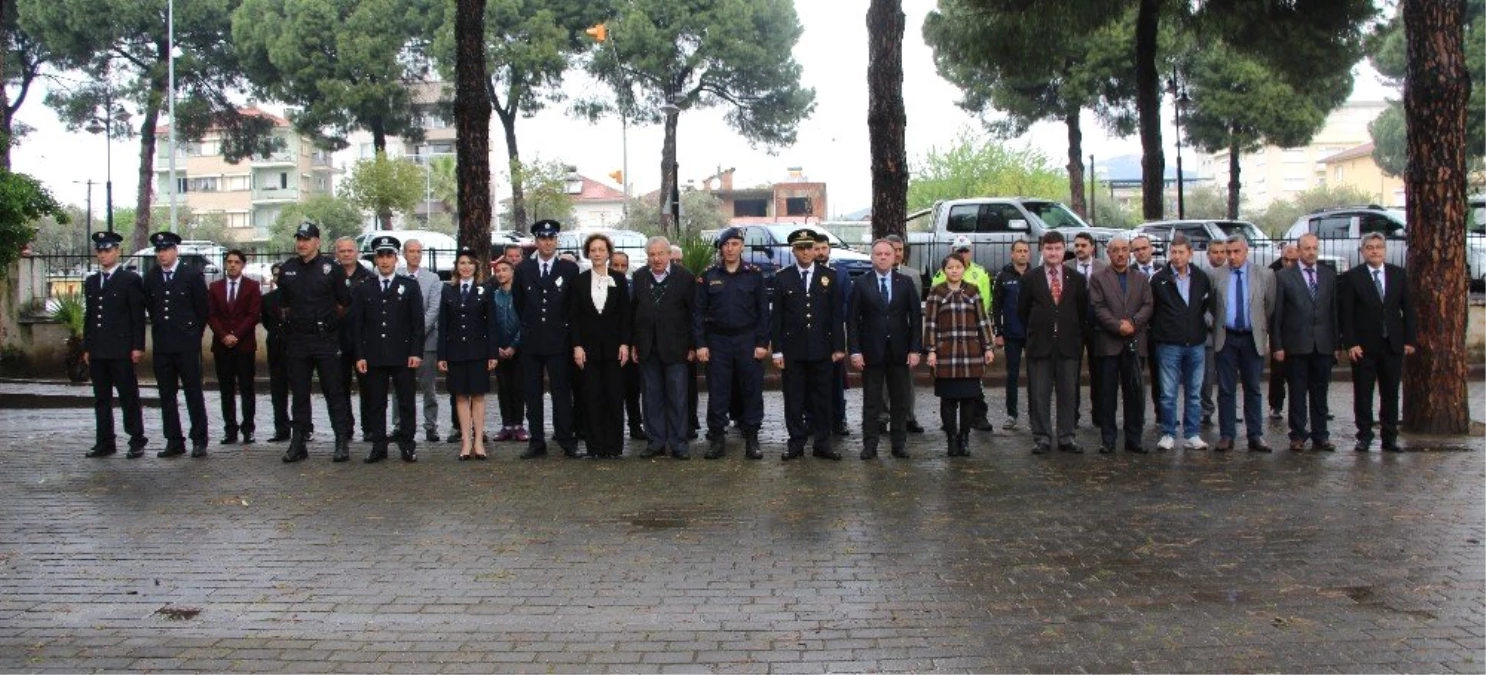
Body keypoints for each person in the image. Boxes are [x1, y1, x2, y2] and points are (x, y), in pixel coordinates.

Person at [279, 221, 354, 463]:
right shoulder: (288, 269)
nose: (301, 243)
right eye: (299, 239)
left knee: (334, 391)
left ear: (317, 242)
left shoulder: (331, 268)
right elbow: (283, 304)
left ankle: (341, 440)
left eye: (307, 239)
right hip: (298, 339)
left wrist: (329, 323)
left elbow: (344, 303)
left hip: (325, 339)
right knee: (299, 393)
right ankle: (298, 441)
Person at [694, 227, 770, 460]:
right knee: (718, 390)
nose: (730, 248)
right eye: (726, 245)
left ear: (741, 247)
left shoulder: (754, 274)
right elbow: (698, 313)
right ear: (721, 248)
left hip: (747, 339)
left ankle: (752, 437)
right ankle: (717, 438)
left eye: (735, 244)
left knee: (751, 389)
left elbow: (763, 313)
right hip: (718, 340)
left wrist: (761, 343)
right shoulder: (709, 275)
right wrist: (701, 344)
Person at [350, 236, 425, 463]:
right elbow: (357, 325)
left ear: (395, 258)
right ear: (375, 259)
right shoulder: (364, 288)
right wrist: (360, 355)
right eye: (380, 256)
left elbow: (417, 324)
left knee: (406, 402)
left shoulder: (409, 286)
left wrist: (415, 352)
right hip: (374, 355)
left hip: (402, 355)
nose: (384, 261)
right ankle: (378, 445)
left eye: (388, 256)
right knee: (376, 402)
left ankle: (407, 444)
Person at [1339, 232, 1416, 453]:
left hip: (1392, 345)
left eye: (1379, 247)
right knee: (1363, 393)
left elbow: (1408, 310)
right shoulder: (1353, 277)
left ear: (1385, 250)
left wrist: (1409, 339)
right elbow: (1347, 314)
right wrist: (1351, 342)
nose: (1375, 251)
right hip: (1363, 347)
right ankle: (1364, 436)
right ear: (1363, 251)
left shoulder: (1398, 275)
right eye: (1370, 247)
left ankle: (1389, 437)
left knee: (1390, 393)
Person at [775, 228, 846, 461]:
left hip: (822, 348)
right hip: (793, 349)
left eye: (809, 247)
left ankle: (823, 443)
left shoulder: (830, 276)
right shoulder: (782, 277)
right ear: (793, 250)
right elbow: (777, 318)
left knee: (822, 398)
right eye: (801, 248)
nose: (806, 252)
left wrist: (838, 346)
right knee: (794, 399)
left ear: (816, 250)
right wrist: (777, 349)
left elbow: (836, 315)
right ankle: (796, 443)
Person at [512, 219, 581, 459]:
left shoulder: (569, 269)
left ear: (557, 240)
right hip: (532, 340)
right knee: (532, 393)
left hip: (559, 340)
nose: (547, 242)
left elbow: (573, 306)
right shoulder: (522, 270)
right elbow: (519, 304)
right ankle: (536, 440)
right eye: (543, 238)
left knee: (562, 391)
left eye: (551, 238)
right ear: (536, 241)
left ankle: (566, 438)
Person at [849, 239, 922, 459]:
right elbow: (852, 320)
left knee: (900, 401)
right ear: (872, 257)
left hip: (900, 351)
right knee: (872, 401)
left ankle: (898, 444)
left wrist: (915, 349)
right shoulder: (861, 283)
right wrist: (855, 350)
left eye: (887, 254)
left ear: (894, 257)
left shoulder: (905, 282)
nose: (882, 257)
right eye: (878, 254)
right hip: (871, 351)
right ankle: (870, 445)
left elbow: (916, 319)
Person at [1017, 231, 1088, 454]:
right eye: (1049, 248)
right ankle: (1042, 436)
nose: (1053, 253)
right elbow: (1023, 311)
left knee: (1068, 392)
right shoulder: (1030, 278)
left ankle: (1067, 436)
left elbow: (1083, 311)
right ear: (1041, 249)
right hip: (1040, 345)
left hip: (1068, 345)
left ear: (1064, 249)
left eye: (1057, 248)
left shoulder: (1076, 278)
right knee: (1039, 393)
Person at [142, 230, 211, 458]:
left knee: (193, 392)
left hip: (186, 344)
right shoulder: (151, 277)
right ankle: (174, 440)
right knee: (166, 395)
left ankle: (199, 439)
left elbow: (202, 309)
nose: (162, 254)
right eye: (159, 250)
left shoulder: (191, 275)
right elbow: (152, 308)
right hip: (163, 344)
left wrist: (193, 334)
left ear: (175, 250)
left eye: (166, 249)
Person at [82, 231, 148, 458]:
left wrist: (137, 346)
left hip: (121, 350)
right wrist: (87, 346)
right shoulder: (91, 281)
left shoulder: (130, 280)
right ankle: (105, 441)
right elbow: (90, 316)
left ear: (117, 251)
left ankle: (136, 439)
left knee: (128, 396)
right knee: (101, 399)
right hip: (99, 349)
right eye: (99, 251)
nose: (103, 255)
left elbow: (137, 316)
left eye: (107, 250)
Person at [631, 236, 696, 460]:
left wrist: (693, 345)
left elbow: (693, 313)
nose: (656, 259)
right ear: (647, 256)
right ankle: (655, 441)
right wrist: (634, 344)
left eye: (660, 254)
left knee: (677, 397)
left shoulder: (685, 277)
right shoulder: (639, 277)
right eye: (652, 255)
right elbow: (633, 312)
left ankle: (678, 443)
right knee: (651, 397)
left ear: (669, 255)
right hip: (647, 347)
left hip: (676, 347)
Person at [1149, 234, 1216, 451]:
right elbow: (1153, 310)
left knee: (1194, 392)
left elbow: (1206, 306)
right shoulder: (1159, 279)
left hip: (1195, 342)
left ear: (1190, 254)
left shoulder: (1201, 278)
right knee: (1168, 393)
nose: (1176, 257)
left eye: (1181, 253)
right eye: (1173, 252)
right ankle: (1168, 432)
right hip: (1168, 343)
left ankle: (1192, 433)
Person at [1210, 235, 1276, 453]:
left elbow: (1269, 306)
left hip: (1251, 337)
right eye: (1228, 252)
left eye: (1236, 252)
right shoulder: (1216, 275)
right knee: (1226, 388)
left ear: (1246, 251)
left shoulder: (1264, 274)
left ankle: (1255, 434)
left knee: (1253, 388)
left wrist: (1259, 328)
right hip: (1226, 338)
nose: (1231, 256)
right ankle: (1227, 435)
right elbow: (1211, 306)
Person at [1273, 233, 1339, 452]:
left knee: (1320, 392)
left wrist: (1336, 344)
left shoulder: (1329, 276)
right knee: (1297, 392)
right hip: (1296, 344)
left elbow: (1333, 312)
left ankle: (1321, 435)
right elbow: (1278, 314)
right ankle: (1298, 434)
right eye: (1307, 248)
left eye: (1314, 248)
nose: (1311, 252)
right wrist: (1278, 345)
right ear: (1299, 251)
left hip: (1323, 344)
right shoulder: (1284, 276)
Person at [1088, 235, 1153, 454]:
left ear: (1130, 252)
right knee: (1107, 394)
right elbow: (1097, 307)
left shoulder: (1141, 278)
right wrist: (1118, 326)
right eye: (1115, 250)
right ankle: (1108, 439)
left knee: (1134, 393)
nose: (1120, 254)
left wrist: (1133, 324)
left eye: (1125, 249)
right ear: (1108, 253)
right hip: (1108, 343)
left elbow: (1147, 305)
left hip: (1135, 342)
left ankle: (1134, 438)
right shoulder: (1097, 278)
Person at [924, 254, 994, 456]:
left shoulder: (973, 291)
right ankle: (951, 439)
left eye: (958, 267)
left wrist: (987, 347)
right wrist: (931, 350)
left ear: (964, 269)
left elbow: (982, 320)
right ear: (944, 271)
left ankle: (964, 438)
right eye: (950, 267)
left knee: (969, 398)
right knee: (948, 399)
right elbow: (930, 324)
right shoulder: (937, 292)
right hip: (946, 353)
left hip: (970, 353)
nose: (954, 271)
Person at [570, 233, 632, 458]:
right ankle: (595, 446)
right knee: (592, 397)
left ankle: (614, 447)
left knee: (614, 397)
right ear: (588, 253)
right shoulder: (579, 281)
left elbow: (626, 314)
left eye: (601, 250)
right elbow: (574, 316)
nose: (597, 253)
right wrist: (576, 345)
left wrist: (625, 343)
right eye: (593, 250)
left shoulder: (619, 279)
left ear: (608, 253)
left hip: (615, 349)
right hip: (588, 350)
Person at [437, 249, 498, 460]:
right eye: (462, 263)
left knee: (478, 396)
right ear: (456, 266)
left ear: (476, 266)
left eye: (470, 263)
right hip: (455, 351)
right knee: (461, 396)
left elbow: (491, 324)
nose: (466, 267)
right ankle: (466, 441)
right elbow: (443, 325)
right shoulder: (448, 291)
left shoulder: (485, 290)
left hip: (479, 351)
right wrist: (441, 355)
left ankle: (479, 440)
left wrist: (492, 353)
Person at [207, 249, 262, 445]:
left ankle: (248, 429)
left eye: (236, 262)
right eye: (229, 261)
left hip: (244, 345)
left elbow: (254, 315)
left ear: (243, 265)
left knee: (247, 389)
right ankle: (230, 429)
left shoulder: (252, 286)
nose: (232, 265)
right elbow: (211, 315)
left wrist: (236, 335)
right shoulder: (215, 287)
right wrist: (223, 336)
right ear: (224, 264)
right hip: (222, 347)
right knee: (226, 390)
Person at [397, 239, 444, 443]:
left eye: (418, 251)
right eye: (411, 251)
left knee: (429, 386)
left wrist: (416, 333)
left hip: (427, 340)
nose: (415, 255)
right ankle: (399, 425)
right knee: (399, 387)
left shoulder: (432, 279)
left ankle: (431, 426)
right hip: (399, 342)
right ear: (404, 253)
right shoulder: (396, 275)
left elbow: (434, 309)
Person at [883, 234, 926, 434]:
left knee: (907, 381)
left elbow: (915, 311)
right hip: (881, 337)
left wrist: (915, 342)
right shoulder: (875, 274)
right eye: (894, 250)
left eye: (900, 250)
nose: (898, 254)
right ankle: (882, 418)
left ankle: (909, 416)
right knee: (883, 381)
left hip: (904, 336)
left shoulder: (913, 275)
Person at [1065, 232, 1107, 428]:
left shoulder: (1103, 267)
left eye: (1083, 245)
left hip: (1097, 326)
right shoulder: (1067, 268)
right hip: (1073, 326)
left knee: (1098, 371)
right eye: (1077, 245)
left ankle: (1099, 414)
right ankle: (1072, 415)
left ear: (1092, 247)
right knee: (1072, 371)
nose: (1079, 248)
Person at [333, 236, 373, 440]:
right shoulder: (330, 275)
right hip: (337, 339)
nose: (346, 254)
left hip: (363, 340)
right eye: (342, 251)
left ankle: (369, 428)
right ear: (336, 253)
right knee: (340, 387)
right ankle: (345, 428)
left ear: (356, 252)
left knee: (367, 387)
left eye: (350, 250)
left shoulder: (367, 276)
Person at [812, 233, 852, 437]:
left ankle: (839, 419)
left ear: (829, 249)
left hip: (833, 334)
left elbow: (847, 302)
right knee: (811, 380)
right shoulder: (807, 272)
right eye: (816, 248)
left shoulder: (841, 273)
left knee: (836, 380)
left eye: (823, 248)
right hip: (810, 335)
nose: (820, 252)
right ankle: (811, 419)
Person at [992, 238, 1031, 430]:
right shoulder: (1003, 276)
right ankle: (1011, 414)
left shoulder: (1035, 274)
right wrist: (998, 332)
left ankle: (1035, 414)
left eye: (1025, 251)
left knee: (1035, 374)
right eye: (1019, 251)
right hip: (1011, 333)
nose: (1022, 254)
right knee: (1012, 375)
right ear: (1012, 254)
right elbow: (996, 305)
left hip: (1033, 334)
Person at [489, 258, 526, 443]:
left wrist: (514, 345)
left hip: (518, 348)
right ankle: (506, 424)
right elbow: (489, 323)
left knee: (518, 386)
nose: (501, 273)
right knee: (503, 387)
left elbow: (525, 321)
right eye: (498, 271)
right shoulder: (493, 296)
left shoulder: (520, 295)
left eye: (505, 270)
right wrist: (497, 346)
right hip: (499, 349)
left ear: (512, 272)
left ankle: (519, 424)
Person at [260, 264, 298, 442]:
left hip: (296, 347)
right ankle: (281, 428)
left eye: (283, 274)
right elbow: (267, 323)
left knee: (300, 390)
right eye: (276, 275)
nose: (280, 278)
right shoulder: (267, 299)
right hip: (276, 348)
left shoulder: (299, 296)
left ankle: (303, 428)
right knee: (277, 390)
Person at [610, 250, 645, 440]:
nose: (620, 269)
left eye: (623, 265)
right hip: (609, 345)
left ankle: (635, 425)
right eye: (616, 265)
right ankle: (612, 427)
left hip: (631, 345)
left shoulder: (634, 287)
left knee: (633, 389)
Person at [1131, 234, 1165, 426]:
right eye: (1136, 249)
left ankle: (1162, 414)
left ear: (1151, 248)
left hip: (1160, 331)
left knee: (1160, 376)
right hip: (1138, 331)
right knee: (1136, 376)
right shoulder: (1129, 272)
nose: (1141, 252)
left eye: (1144, 248)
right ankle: (1138, 416)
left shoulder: (1164, 270)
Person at [1199, 239, 1230, 427]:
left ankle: (1228, 410)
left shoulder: (1231, 275)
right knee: (1207, 377)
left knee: (1228, 376)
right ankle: (1206, 410)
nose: (1219, 256)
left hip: (1229, 332)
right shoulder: (1203, 275)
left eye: (1222, 252)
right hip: (1209, 333)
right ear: (1208, 254)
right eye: (1215, 252)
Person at [1267, 243, 1299, 420]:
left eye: (1293, 260)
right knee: (1277, 369)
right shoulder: (1272, 272)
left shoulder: (1303, 272)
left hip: (1299, 328)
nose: (1288, 263)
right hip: (1279, 326)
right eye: (1285, 259)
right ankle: (1275, 404)